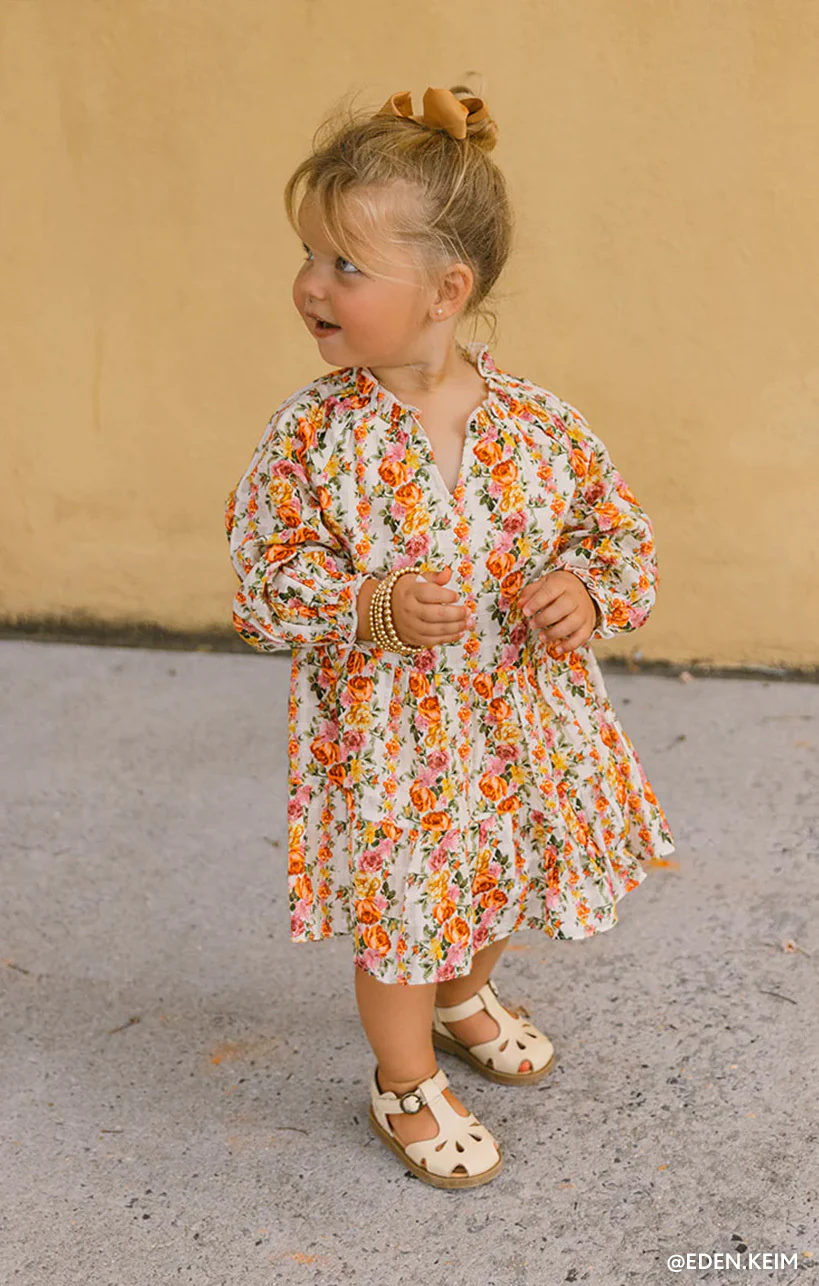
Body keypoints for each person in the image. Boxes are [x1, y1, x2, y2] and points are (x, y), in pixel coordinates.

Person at [224, 84, 676, 1190]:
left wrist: (583, 587)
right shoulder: (314, 436)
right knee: (404, 910)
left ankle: (467, 989)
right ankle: (404, 1074)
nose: (310, 287)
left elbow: (618, 535)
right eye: (308, 255)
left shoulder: (539, 426)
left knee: (497, 875)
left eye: (344, 265)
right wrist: (370, 607)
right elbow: (262, 577)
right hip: (395, 748)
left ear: (446, 291)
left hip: (516, 724)